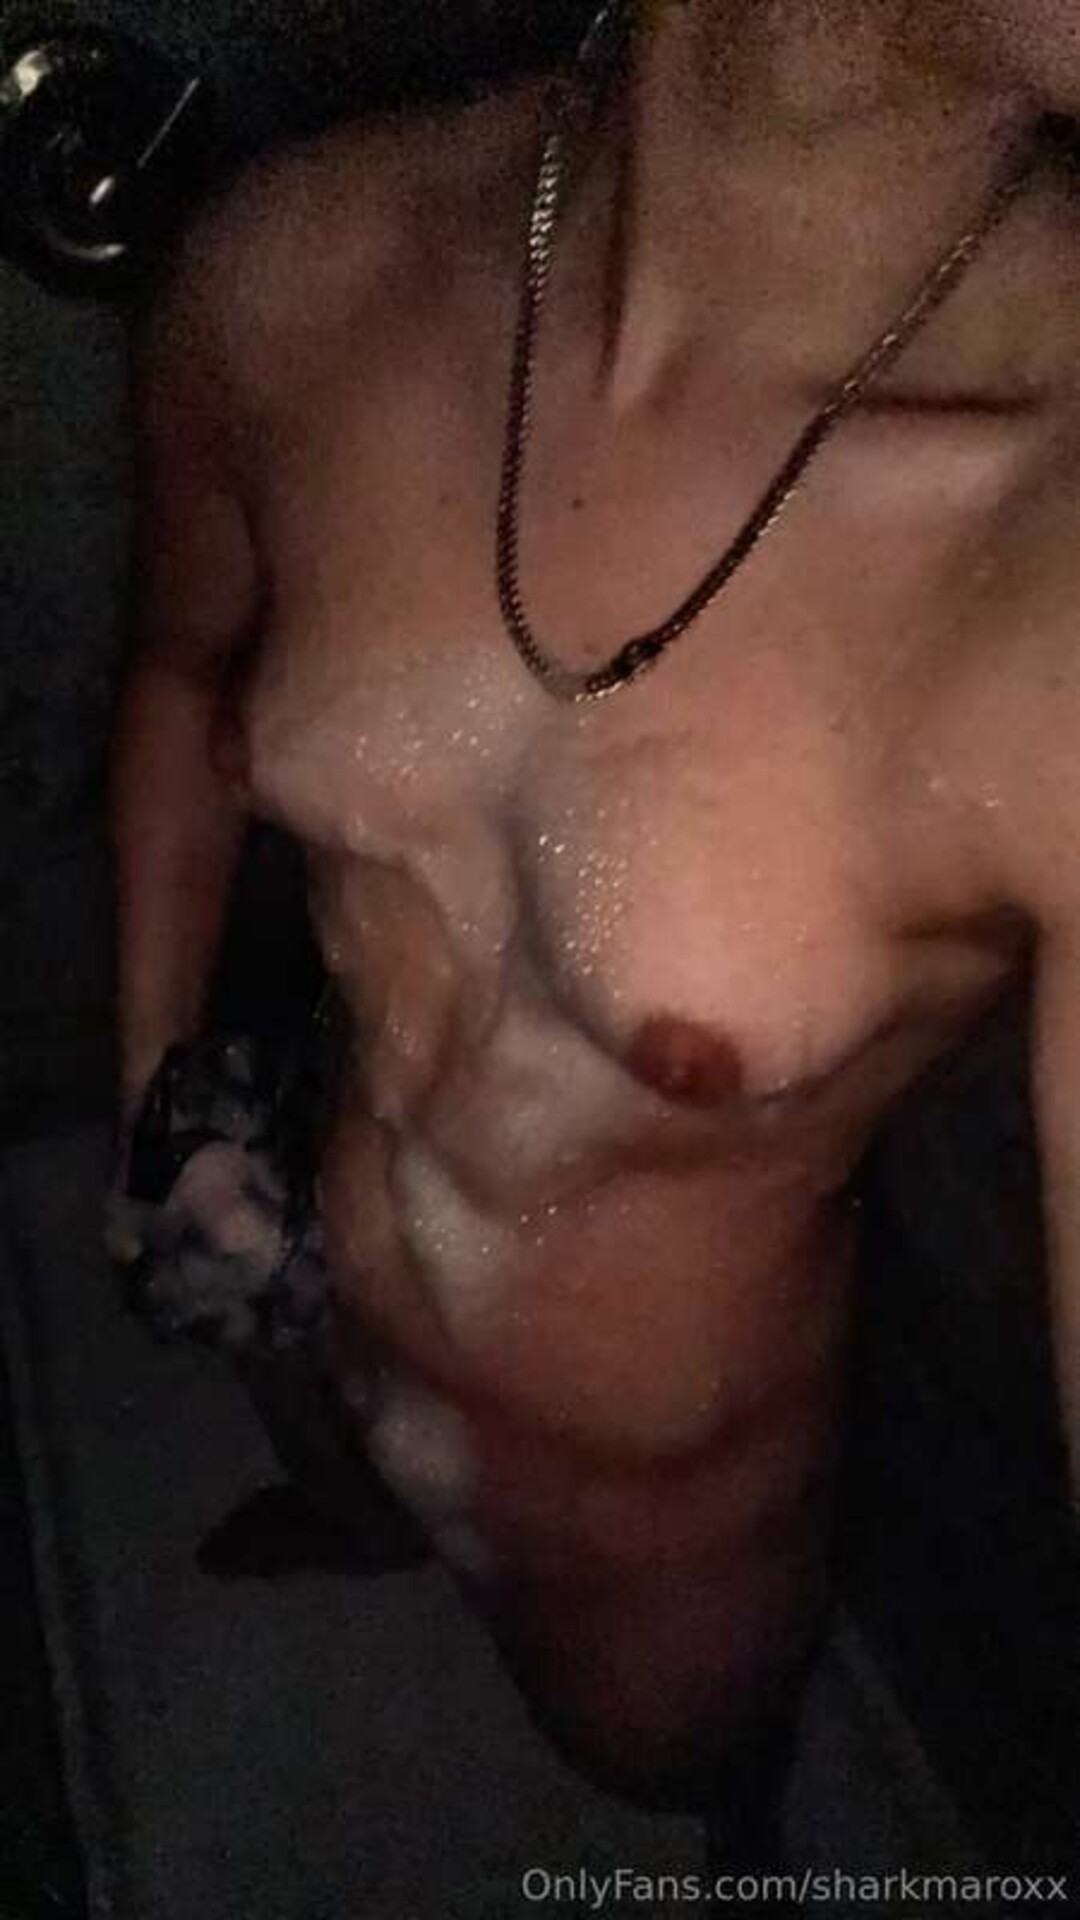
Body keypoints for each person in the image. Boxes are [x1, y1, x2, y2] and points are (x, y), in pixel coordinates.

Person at [111, 0, 1080, 1815]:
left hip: (654, 1529)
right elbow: (178, 682)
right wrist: (164, 1110)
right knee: (342, 1480)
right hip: (321, 1293)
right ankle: (353, 1512)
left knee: (661, 1783)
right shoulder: (291, 278)